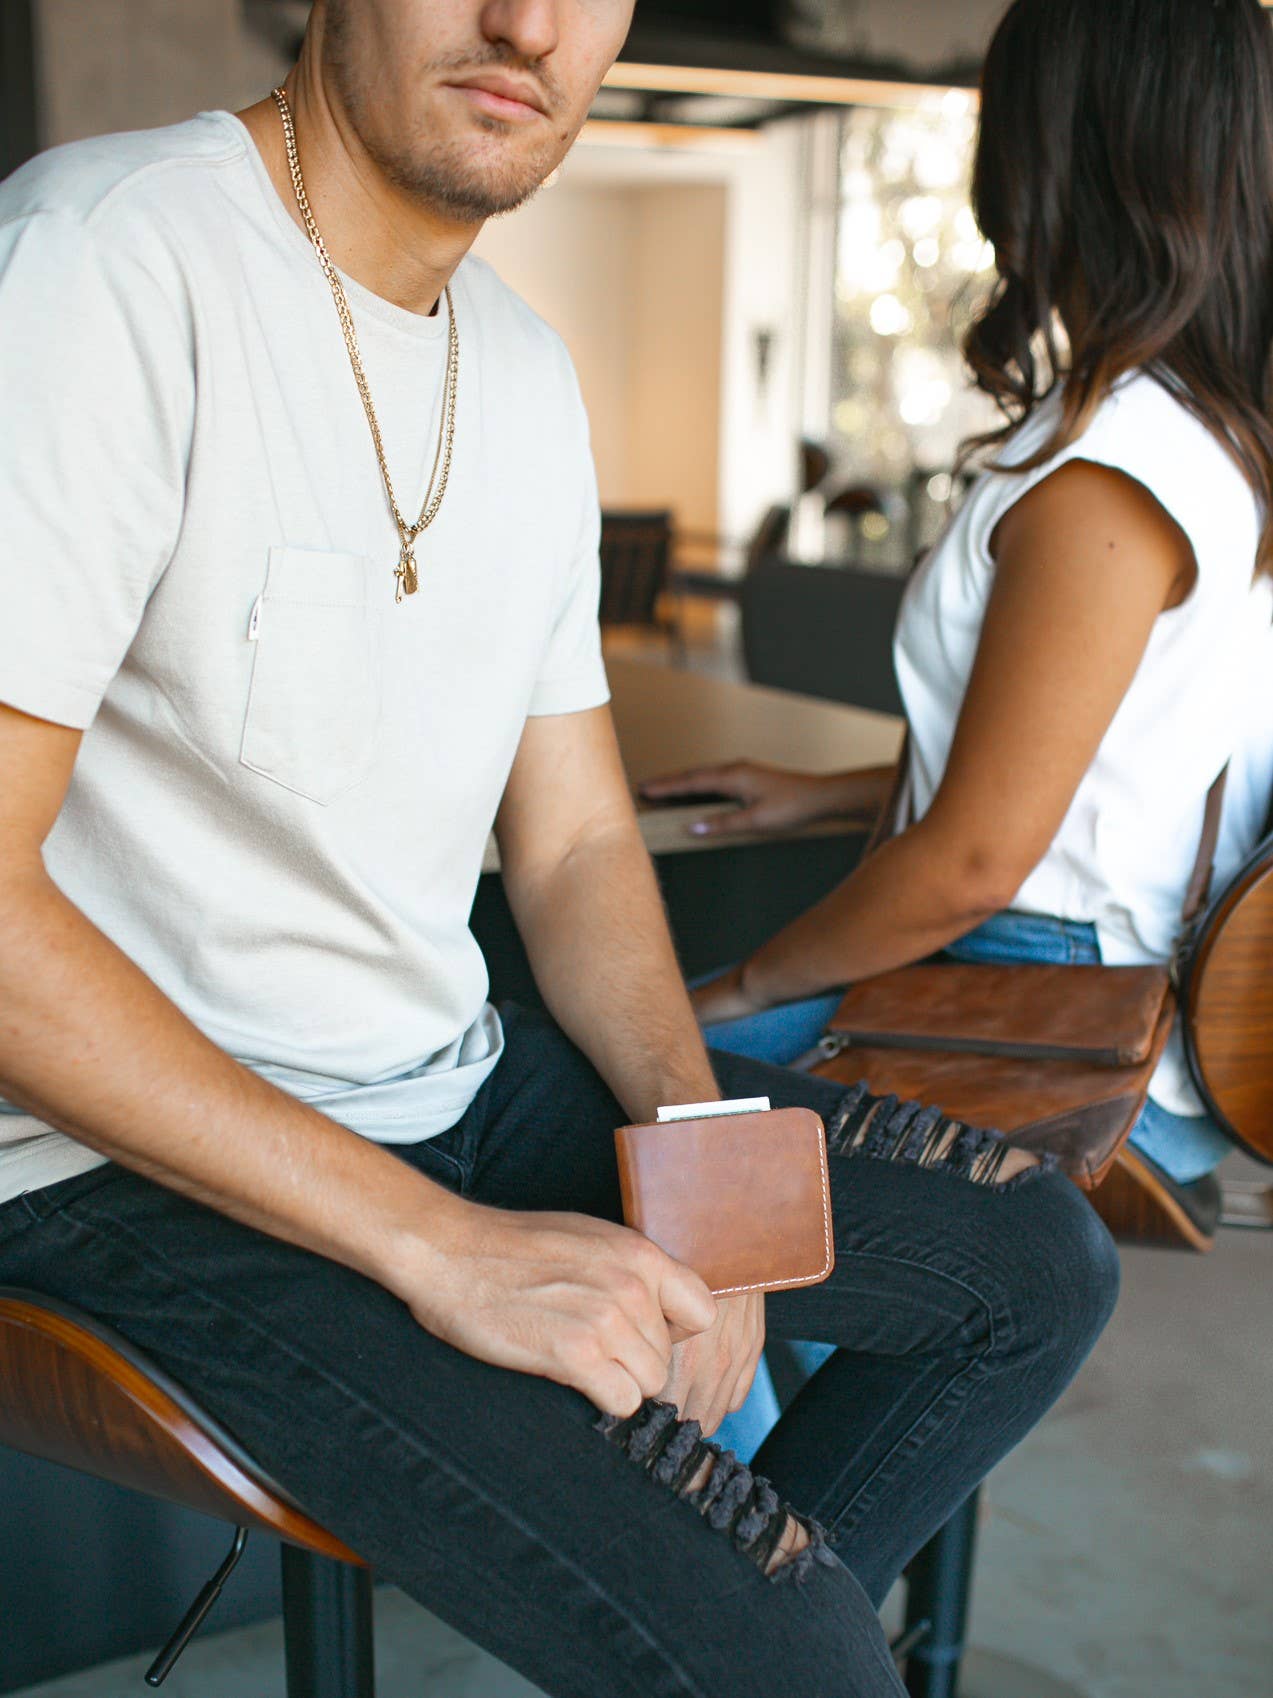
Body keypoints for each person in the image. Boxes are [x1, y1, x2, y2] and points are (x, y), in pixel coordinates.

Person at [0, 3, 1118, 1693]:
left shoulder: (517, 367)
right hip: (110, 1163)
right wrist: (438, 1247)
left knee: (1029, 1264)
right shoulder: (96, 264)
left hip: (437, 1078)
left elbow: (582, 835)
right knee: (802, 1658)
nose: (526, 22)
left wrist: (702, 1162)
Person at [647, 0, 1273, 1253]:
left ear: (1056, 151)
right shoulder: (1205, 435)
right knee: (754, 1279)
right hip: (1083, 977)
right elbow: (1105, 772)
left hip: (1030, 1003)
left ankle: (740, 1458)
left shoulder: (1111, 475)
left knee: (633, 1109)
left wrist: (741, 989)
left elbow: (982, 859)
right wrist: (828, 792)